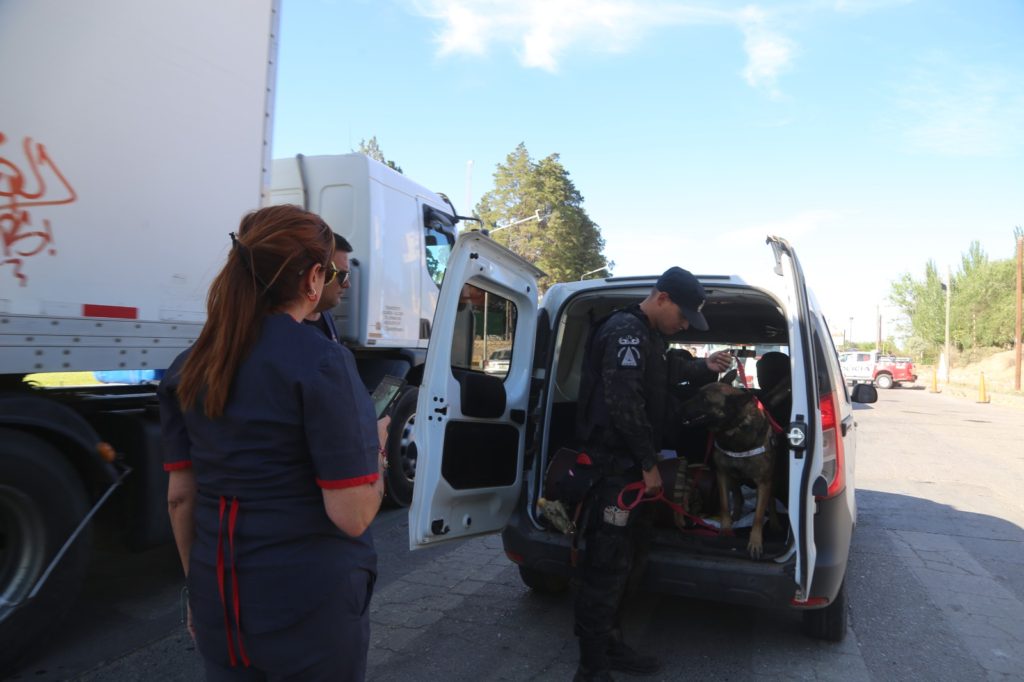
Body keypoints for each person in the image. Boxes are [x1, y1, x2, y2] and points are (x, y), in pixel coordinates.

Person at [159, 205, 386, 681]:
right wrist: (378, 446)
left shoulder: (191, 364)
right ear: (314, 278)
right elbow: (353, 514)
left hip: (219, 596)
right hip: (308, 605)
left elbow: (181, 498)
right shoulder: (324, 362)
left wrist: (200, 592)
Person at [573, 266, 732, 682]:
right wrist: (648, 466)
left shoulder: (650, 336)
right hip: (616, 472)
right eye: (683, 316)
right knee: (604, 569)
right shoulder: (625, 331)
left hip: (633, 472)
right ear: (662, 297)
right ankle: (590, 669)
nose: (684, 325)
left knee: (630, 561)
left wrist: (705, 369)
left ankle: (611, 645)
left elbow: (662, 381)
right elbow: (624, 404)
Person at [304, 232, 353, 342]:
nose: (347, 284)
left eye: (348, 275)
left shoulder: (326, 315)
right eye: (341, 275)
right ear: (315, 273)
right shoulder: (282, 327)